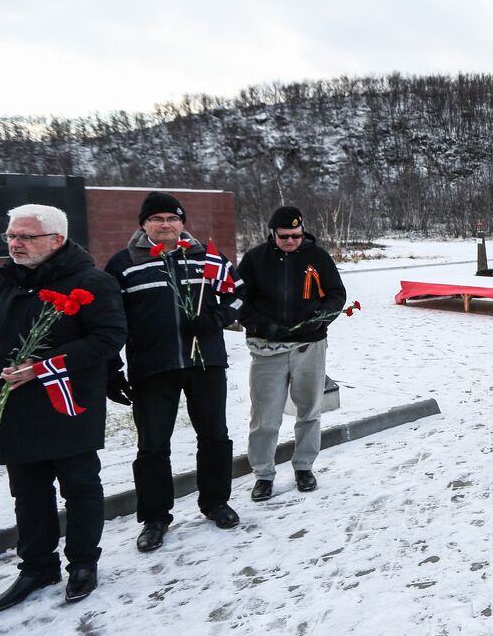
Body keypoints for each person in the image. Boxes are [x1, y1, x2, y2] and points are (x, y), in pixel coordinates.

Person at [0, 205, 126, 613]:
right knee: (28, 492)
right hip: (14, 408)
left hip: (67, 403)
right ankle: (37, 566)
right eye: (11, 236)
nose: (14, 244)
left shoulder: (92, 282)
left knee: (80, 487)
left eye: (25, 237)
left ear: (56, 240)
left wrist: (40, 367)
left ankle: (83, 564)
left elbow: (107, 340)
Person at [105, 192, 243, 553]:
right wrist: (111, 368)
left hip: (205, 363)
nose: (165, 224)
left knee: (214, 435)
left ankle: (215, 502)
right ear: (144, 224)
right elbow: (108, 320)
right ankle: (155, 517)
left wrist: (219, 317)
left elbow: (241, 296)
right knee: (152, 446)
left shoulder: (206, 257)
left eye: (172, 218)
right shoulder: (124, 263)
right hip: (153, 368)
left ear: (182, 223)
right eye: (157, 219)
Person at [236, 206, 346, 501]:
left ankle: (304, 466)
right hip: (268, 348)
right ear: (272, 233)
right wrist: (264, 326)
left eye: (296, 236)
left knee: (309, 411)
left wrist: (321, 318)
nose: (291, 241)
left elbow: (337, 294)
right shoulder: (254, 259)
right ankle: (263, 474)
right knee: (264, 417)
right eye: (284, 236)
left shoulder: (318, 257)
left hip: (309, 346)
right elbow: (239, 301)